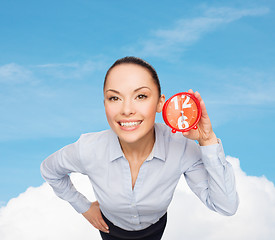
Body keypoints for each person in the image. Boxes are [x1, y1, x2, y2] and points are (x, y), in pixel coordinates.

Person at [40, 56, 239, 240]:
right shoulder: (88, 149)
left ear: (161, 103)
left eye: (141, 96)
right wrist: (82, 206)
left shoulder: (181, 147)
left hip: (155, 228)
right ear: (105, 104)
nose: (127, 110)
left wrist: (207, 140)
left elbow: (226, 206)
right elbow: (49, 170)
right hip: (110, 229)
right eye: (114, 98)